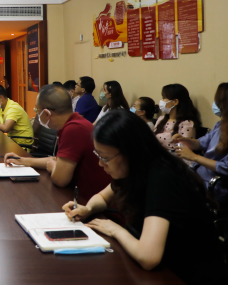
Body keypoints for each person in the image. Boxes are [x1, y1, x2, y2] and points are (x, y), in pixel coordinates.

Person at [63, 110, 227, 284]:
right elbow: (103, 197)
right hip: (160, 267)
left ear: (130, 152)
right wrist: (88, 208)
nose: (100, 163)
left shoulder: (163, 178)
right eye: (98, 155)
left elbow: (149, 257)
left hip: (185, 275)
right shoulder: (134, 168)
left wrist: (115, 230)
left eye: (105, 157)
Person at [4, 85, 111, 200]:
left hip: (91, 202)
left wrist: (54, 167)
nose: (37, 115)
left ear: (47, 113)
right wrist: (23, 161)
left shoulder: (73, 129)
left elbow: (60, 179)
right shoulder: (75, 123)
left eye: (37, 111)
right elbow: (58, 160)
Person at [174, 83, 228, 206]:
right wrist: (185, 140)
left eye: (217, 102)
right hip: (200, 174)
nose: (215, 105)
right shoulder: (220, 125)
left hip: (215, 184)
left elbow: (225, 167)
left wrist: (194, 157)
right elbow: (201, 143)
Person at [154, 84, 201, 151]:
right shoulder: (161, 119)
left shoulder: (187, 124)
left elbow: (185, 150)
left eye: (164, 98)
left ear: (175, 102)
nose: (161, 101)